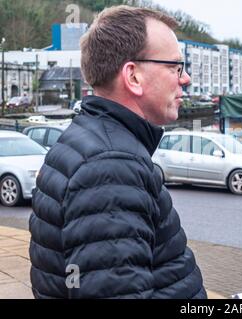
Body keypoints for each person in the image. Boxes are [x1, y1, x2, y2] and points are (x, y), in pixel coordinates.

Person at [29, 5, 206, 299]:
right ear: (133, 76)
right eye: (175, 67)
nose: (184, 79)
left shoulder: (87, 140)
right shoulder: (111, 166)